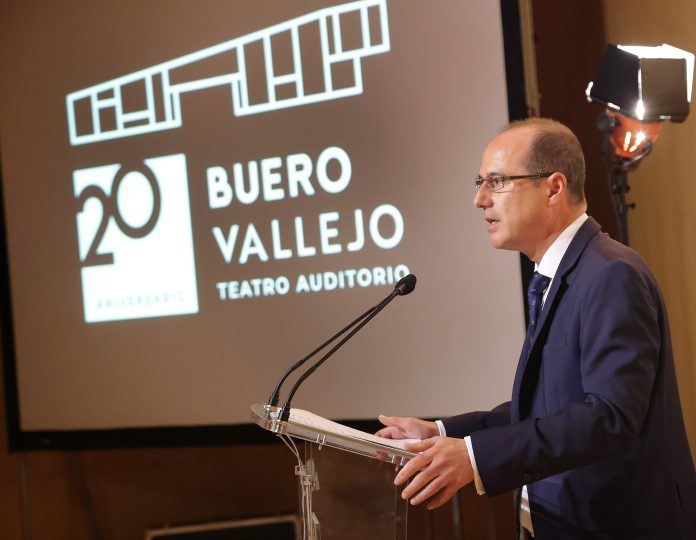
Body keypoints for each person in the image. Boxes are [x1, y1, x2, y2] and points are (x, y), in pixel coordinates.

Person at [376, 118, 696, 539]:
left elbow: (611, 416)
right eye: (480, 181)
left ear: (553, 188)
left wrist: (474, 457)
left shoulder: (610, 274)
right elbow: (552, 407)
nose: (479, 199)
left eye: (497, 181)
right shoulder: (563, 273)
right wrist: (441, 432)